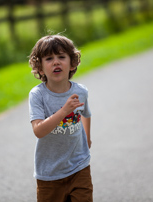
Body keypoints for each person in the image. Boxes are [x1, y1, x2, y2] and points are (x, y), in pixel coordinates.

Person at [28, 34, 93, 202]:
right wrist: (64, 111)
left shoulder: (81, 91)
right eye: (49, 58)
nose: (56, 62)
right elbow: (38, 131)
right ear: (40, 68)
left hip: (79, 166)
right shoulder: (38, 95)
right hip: (49, 174)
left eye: (61, 57)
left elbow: (86, 114)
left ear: (72, 63)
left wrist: (87, 137)